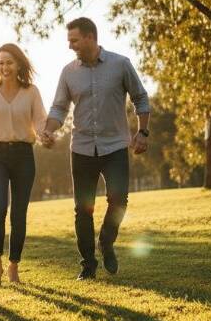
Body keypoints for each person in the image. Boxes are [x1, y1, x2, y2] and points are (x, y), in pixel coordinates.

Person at [41, 17, 150, 280]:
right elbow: (59, 108)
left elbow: (140, 97)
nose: (70, 46)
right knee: (83, 209)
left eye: (74, 40)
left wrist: (143, 131)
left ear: (90, 37)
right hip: (81, 148)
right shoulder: (68, 72)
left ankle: (107, 242)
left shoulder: (120, 64)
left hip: (114, 146)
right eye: (69, 41)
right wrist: (49, 129)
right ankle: (88, 265)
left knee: (119, 200)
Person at [0, 43, 47, 285]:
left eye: (9, 62)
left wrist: (46, 135)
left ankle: (14, 265)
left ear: (19, 64)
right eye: (1, 63)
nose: (5, 67)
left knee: (19, 213)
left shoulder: (31, 92)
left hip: (24, 155)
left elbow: (40, 121)